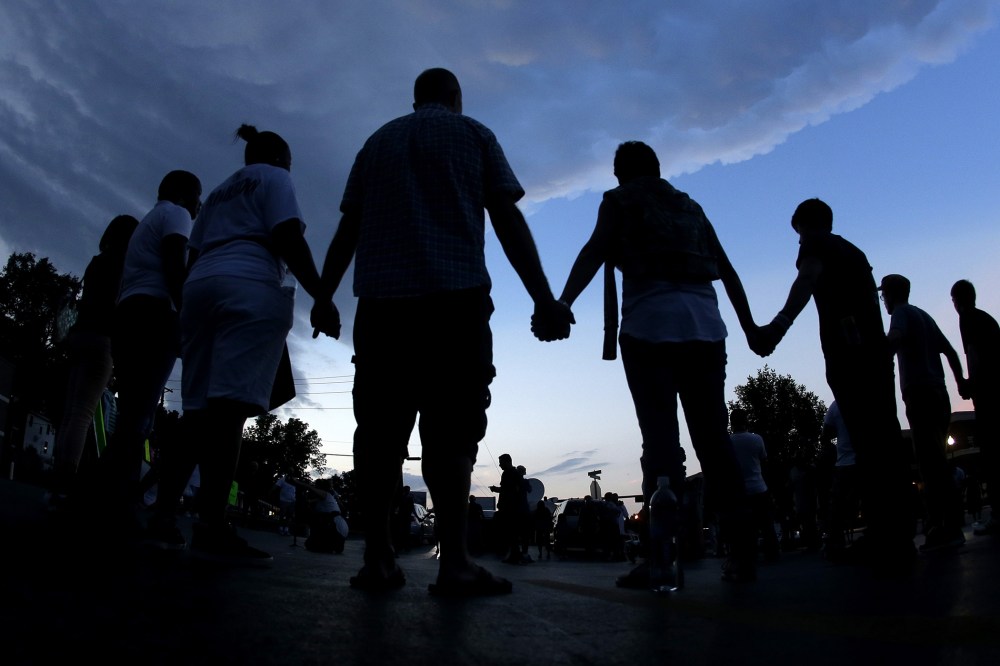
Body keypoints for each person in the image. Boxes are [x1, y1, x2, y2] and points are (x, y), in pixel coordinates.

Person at [311, 68, 571, 595]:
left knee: (379, 436)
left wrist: (323, 297)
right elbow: (505, 217)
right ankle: (454, 563)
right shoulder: (474, 134)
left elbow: (348, 229)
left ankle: (379, 561)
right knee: (452, 434)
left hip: (382, 307)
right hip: (455, 304)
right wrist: (544, 298)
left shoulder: (376, 142)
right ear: (455, 97)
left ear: (415, 98)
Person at [552, 141, 759, 585]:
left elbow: (594, 251)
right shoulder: (691, 206)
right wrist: (752, 327)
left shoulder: (619, 200)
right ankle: (742, 554)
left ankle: (662, 559)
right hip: (706, 328)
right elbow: (727, 269)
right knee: (715, 443)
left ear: (619, 173)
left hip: (649, 329)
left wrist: (563, 302)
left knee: (661, 446)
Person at [146, 125, 335, 563]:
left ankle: (162, 514)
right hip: (247, 284)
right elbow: (288, 235)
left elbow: (191, 254)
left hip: (200, 288)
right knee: (229, 412)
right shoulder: (275, 179)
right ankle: (213, 525)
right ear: (282, 157)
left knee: (195, 411)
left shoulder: (215, 195)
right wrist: (321, 296)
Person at [756, 198, 916, 573]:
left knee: (866, 443)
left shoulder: (817, 245)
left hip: (849, 356)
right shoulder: (855, 253)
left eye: (798, 235)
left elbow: (806, 279)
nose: (798, 245)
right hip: (874, 355)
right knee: (886, 441)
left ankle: (883, 533)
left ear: (808, 226)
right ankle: (899, 531)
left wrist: (778, 325)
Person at [84, 171, 200, 534]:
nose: (198, 208)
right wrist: (186, 313)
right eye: (197, 198)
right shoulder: (176, 215)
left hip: (128, 314)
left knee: (132, 415)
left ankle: (92, 498)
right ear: (184, 195)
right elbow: (173, 264)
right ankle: (116, 505)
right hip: (153, 315)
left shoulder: (145, 224)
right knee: (139, 418)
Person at [51, 215, 139, 503]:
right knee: (83, 414)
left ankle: (57, 479)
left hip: (79, 336)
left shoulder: (96, 262)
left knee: (70, 412)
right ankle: (66, 481)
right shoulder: (125, 268)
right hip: (102, 341)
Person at [879, 273, 966, 551]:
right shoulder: (925, 317)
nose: (883, 301)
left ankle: (944, 527)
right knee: (938, 458)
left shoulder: (902, 314)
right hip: (939, 393)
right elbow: (950, 352)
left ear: (891, 294)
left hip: (919, 394)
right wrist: (960, 381)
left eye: (884, 295)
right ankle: (947, 525)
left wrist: (877, 353)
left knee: (930, 464)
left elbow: (894, 339)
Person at [950, 279, 1000, 537]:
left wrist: (969, 384)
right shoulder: (987, 319)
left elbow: (972, 353)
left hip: (988, 394)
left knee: (991, 453)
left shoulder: (967, 318)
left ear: (957, 300)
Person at [729, 408, 779, 561]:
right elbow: (764, 461)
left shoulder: (728, 442)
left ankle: (746, 554)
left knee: (743, 527)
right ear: (746, 421)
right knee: (766, 523)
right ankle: (772, 552)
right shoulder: (757, 439)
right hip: (758, 486)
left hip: (739, 490)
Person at [823, 400, 860, 559]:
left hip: (845, 462)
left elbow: (826, 434)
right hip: (865, 461)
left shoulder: (836, 405)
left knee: (837, 506)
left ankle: (834, 543)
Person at [489, 453, 531, 564]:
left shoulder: (509, 474)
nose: (499, 465)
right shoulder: (513, 473)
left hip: (510, 508)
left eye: (501, 462)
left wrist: (496, 490)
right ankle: (515, 554)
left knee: (510, 532)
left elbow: (508, 491)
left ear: (507, 462)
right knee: (511, 533)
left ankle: (514, 555)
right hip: (511, 508)